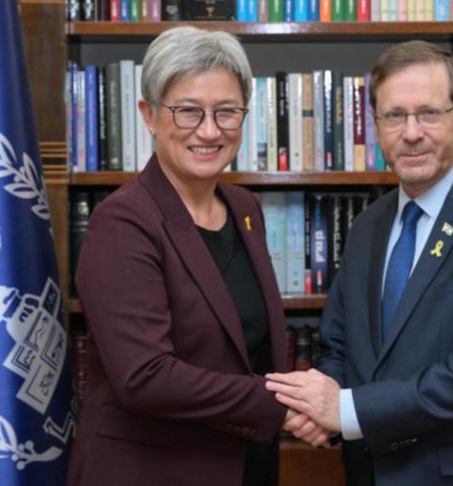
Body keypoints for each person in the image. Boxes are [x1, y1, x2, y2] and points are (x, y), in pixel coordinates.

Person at [266, 41, 453, 485]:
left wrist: (346, 410)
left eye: (429, 113)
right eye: (394, 115)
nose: (412, 132)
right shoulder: (367, 226)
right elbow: (341, 347)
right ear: (376, 125)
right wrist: (318, 408)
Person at [68, 26, 328, 486]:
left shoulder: (244, 209)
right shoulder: (121, 223)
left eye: (226, 112)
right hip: (152, 472)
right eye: (187, 111)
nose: (209, 131)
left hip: (246, 463)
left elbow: (251, 349)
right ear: (149, 114)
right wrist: (284, 406)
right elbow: (145, 376)